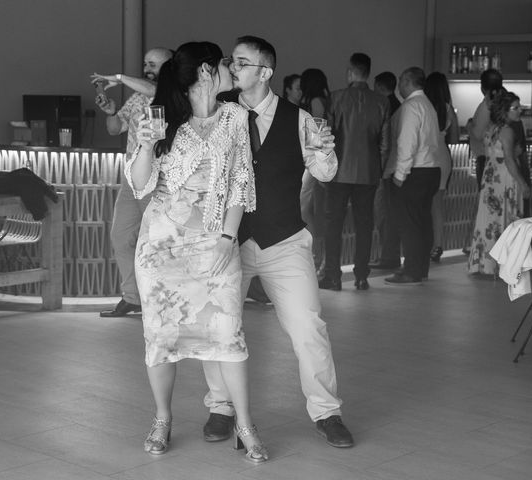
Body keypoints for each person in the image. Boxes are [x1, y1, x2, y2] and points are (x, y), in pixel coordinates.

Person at [201, 35, 354, 449]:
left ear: (265, 72)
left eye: (243, 63)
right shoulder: (219, 111)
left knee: (309, 326)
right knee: (219, 325)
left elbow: (324, 173)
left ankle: (327, 411)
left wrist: (325, 153)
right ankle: (221, 406)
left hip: (284, 240)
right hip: (227, 241)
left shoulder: (301, 119)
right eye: (232, 62)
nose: (234, 69)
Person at [126, 41, 267, 462]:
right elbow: (139, 184)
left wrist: (228, 237)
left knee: (228, 334)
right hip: (162, 247)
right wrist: (148, 144)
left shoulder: (236, 118)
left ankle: (245, 423)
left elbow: (241, 182)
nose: (228, 70)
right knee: (161, 338)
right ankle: (162, 418)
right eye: (225, 63)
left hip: (215, 244)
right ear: (207, 71)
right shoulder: (160, 118)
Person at [93, 47, 172, 317]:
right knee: (121, 237)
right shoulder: (138, 97)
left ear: (170, 66)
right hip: (131, 178)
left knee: (159, 240)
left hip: (160, 178)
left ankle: (164, 300)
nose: (147, 67)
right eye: (145, 63)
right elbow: (115, 128)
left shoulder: (175, 94)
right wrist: (111, 112)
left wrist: (117, 77)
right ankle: (132, 297)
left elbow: (154, 90)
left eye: (153, 64)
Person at [320, 53, 391, 291]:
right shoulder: (381, 101)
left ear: (351, 72)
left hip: (339, 172)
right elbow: (385, 143)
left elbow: (326, 137)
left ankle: (333, 275)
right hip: (368, 172)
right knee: (364, 224)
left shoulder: (336, 98)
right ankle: (361, 276)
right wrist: (378, 170)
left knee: (334, 225)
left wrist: (324, 169)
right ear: (368, 72)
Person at [383, 67, 440, 286]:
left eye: (400, 80)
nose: (398, 85)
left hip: (414, 171)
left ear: (407, 81)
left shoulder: (411, 107)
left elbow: (407, 142)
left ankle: (411, 270)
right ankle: (420, 268)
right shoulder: (427, 105)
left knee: (409, 224)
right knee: (422, 221)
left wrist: (400, 173)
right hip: (431, 169)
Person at [468, 91, 530, 275]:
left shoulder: (491, 128)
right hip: (505, 178)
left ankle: (485, 264)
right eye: (516, 108)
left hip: (490, 175)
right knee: (508, 219)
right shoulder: (508, 131)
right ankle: (505, 265)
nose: (519, 111)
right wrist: (523, 183)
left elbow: (494, 152)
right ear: (505, 110)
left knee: (488, 219)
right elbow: (509, 160)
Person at [424, 72, 460, 263]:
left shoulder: (423, 107)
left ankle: (424, 244)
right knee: (437, 204)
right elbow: (454, 138)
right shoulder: (448, 109)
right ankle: (437, 246)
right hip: (443, 156)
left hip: (425, 157)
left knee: (422, 205)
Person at [299, 68, 331, 272]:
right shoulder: (323, 100)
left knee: (304, 209)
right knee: (307, 209)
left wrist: (313, 163)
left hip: (310, 162)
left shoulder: (315, 102)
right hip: (313, 161)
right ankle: (313, 256)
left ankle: (313, 256)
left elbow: (316, 136)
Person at [370, 71, 402, 270]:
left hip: (385, 168)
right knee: (390, 214)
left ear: (381, 87)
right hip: (393, 168)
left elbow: (384, 142)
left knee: (384, 214)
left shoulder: (385, 106)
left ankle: (388, 256)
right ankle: (390, 255)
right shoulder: (399, 105)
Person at [467, 69, 504, 188]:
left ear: (482, 87)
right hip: (500, 158)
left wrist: (469, 125)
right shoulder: (505, 102)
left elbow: (478, 135)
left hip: (486, 158)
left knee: (488, 199)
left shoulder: (487, 105)